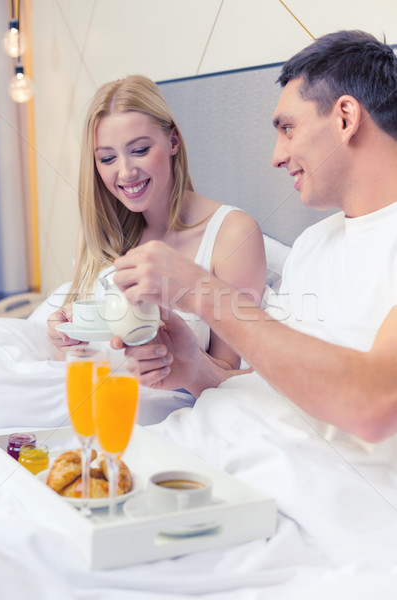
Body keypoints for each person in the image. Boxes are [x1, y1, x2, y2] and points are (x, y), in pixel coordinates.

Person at [110, 31, 397, 443]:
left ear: (345, 118)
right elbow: (270, 388)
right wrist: (194, 368)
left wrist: (202, 292)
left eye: (288, 128)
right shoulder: (314, 245)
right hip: (207, 446)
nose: (276, 156)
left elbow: (374, 404)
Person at [46, 75, 266, 379]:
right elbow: (78, 361)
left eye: (139, 150)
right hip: (99, 402)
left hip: (172, 413)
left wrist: (184, 365)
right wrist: (66, 341)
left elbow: (229, 373)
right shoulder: (97, 235)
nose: (125, 172)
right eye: (107, 158)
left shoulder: (233, 235)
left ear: (173, 141)